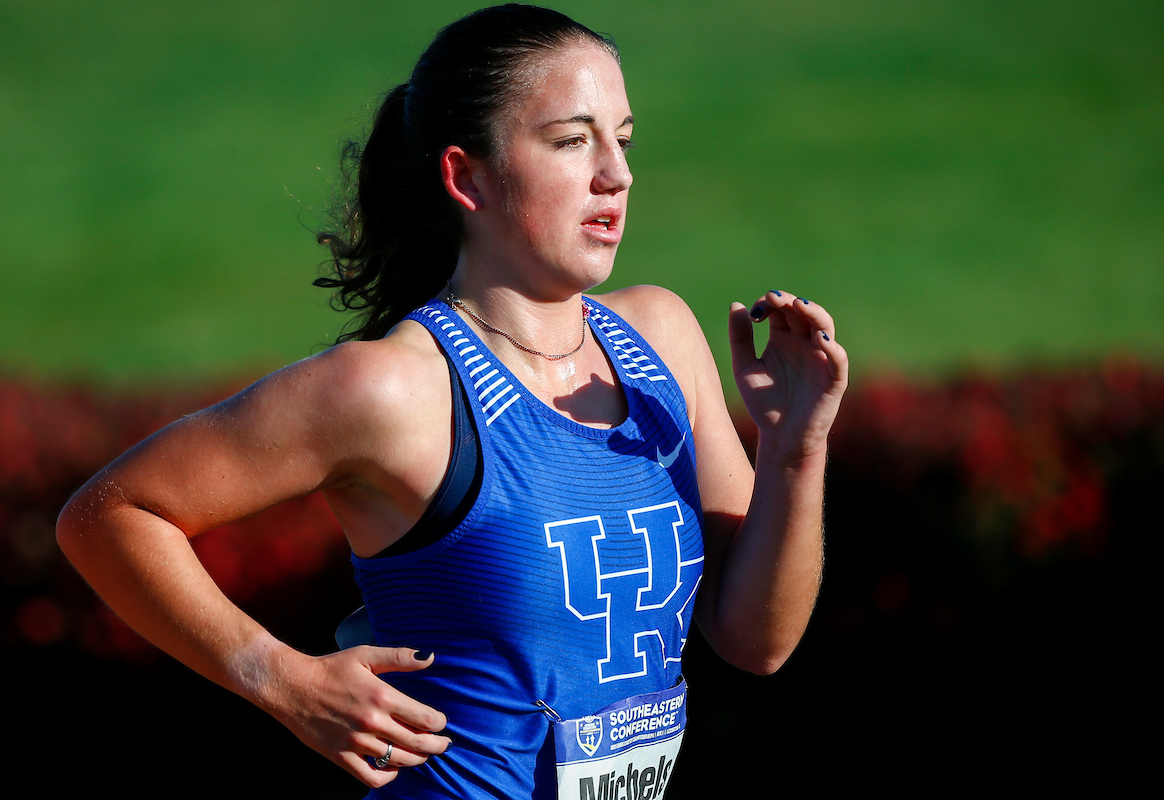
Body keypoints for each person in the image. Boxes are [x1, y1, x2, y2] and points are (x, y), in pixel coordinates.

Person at [57, 4, 847, 798]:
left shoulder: (663, 339)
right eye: (573, 141)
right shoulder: (393, 388)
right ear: (466, 175)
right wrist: (280, 679)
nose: (617, 173)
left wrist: (795, 448)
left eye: (624, 139)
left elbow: (757, 640)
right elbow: (111, 515)